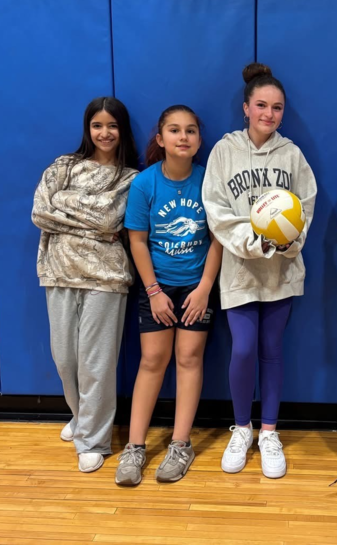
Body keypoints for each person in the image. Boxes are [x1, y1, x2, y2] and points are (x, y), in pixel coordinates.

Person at [202, 63, 317, 479]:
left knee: (271, 350)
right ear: (246, 107)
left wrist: (286, 240)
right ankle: (242, 428)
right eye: (262, 105)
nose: (269, 114)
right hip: (240, 271)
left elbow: (304, 207)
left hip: (281, 272)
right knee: (244, 349)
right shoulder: (223, 151)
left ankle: (269, 432)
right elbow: (217, 213)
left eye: (277, 107)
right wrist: (257, 242)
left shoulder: (292, 155)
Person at [114, 105, 222, 486]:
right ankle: (135, 447)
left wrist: (205, 288)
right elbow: (138, 241)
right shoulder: (145, 184)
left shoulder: (209, 180)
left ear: (198, 140)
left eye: (191, 131)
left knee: (189, 358)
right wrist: (154, 292)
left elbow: (218, 238)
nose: (183, 137)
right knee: (152, 360)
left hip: (196, 288)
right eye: (174, 131)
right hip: (157, 287)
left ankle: (180, 445)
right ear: (160, 139)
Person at [32, 96, 139, 473]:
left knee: (96, 363)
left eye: (112, 125)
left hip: (107, 278)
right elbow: (40, 211)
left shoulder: (130, 178)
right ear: (87, 128)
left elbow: (112, 220)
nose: (105, 132)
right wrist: (92, 223)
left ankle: (94, 439)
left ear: (122, 129)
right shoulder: (64, 166)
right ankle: (81, 418)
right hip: (58, 271)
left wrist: (67, 206)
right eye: (97, 125)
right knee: (66, 359)